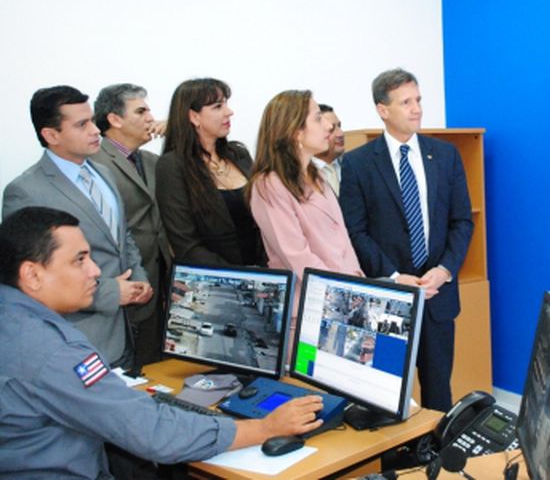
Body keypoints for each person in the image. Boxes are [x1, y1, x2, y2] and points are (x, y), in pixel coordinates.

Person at [0, 206, 323, 478]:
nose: (96, 271)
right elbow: (152, 433)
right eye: (79, 260)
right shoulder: (53, 351)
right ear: (32, 275)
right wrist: (265, 429)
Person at [339, 68, 474, 412]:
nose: (416, 109)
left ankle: (437, 460)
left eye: (418, 100)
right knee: (387, 397)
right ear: (382, 110)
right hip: (389, 297)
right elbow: (355, 231)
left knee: (438, 394)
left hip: (437, 295)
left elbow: (461, 222)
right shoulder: (357, 164)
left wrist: (445, 269)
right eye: (405, 102)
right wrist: (396, 277)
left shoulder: (445, 155)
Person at [2, 85, 152, 368]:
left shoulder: (103, 172)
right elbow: (29, 279)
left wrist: (139, 278)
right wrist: (109, 292)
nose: (96, 131)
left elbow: (122, 234)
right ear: (51, 135)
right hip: (78, 340)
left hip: (125, 333)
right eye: (82, 125)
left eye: (93, 121)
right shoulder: (26, 191)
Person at [91, 83, 173, 367]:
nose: (151, 117)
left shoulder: (152, 160)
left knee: (158, 362)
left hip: (163, 278)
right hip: (125, 279)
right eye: (141, 111)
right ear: (115, 119)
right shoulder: (93, 162)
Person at [246, 90, 362, 280]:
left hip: (346, 292)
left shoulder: (317, 176)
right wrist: (344, 291)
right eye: (318, 119)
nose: (328, 125)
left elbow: (344, 242)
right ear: (295, 132)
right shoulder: (269, 185)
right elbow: (297, 257)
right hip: (309, 300)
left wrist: (357, 282)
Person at [156, 78, 264, 266]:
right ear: (193, 116)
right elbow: (185, 244)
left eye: (226, 104)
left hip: (265, 272)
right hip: (216, 281)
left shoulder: (238, 154)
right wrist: (240, 277)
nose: (229, 112)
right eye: (217, 106)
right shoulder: (172, 166)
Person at [312, 103, 345, 196]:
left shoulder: (354, 166)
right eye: (331, 129)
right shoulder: (301, 174)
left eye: (339, 126)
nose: (340, 134)